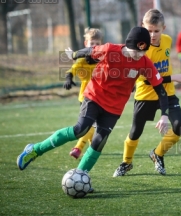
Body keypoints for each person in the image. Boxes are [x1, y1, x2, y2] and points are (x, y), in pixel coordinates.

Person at [17, 27, 170, 190]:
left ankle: (80, 176)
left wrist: (164, 115)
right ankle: (35, 150)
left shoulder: (145, 62)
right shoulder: (110, 50)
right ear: (128, 45)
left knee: (99, 141)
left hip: (114, 108)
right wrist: (74, 55)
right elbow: (90, 50)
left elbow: (160, 89)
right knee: (80, 130)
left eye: (144, 51)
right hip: (94, 96)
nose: (140, 55)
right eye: (137, 51)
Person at [113, 9, 181, 177]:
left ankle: (157, 154)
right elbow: (147, 80)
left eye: (156, 31)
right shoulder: (141, 49)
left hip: (167, 94)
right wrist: (173, 77)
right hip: (145, 94)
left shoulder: (167, 41)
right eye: (149, 30)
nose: (152, 35)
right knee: (135, 132)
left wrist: (169, 80)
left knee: (179, 126)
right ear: (143, 26)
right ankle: (126, 162)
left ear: (164, 28)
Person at [63, 28, 102, 159]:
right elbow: (72, 70)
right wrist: (69, 78)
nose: (94, 46)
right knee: (91, 125)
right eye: (92, 44)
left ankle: (90, 144)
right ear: (86, 44)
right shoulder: (82, 60)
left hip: (101, 97)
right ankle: (78, 148)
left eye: (97, 44)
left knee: (93, 125)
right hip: (86, 98)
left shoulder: (103, 60)